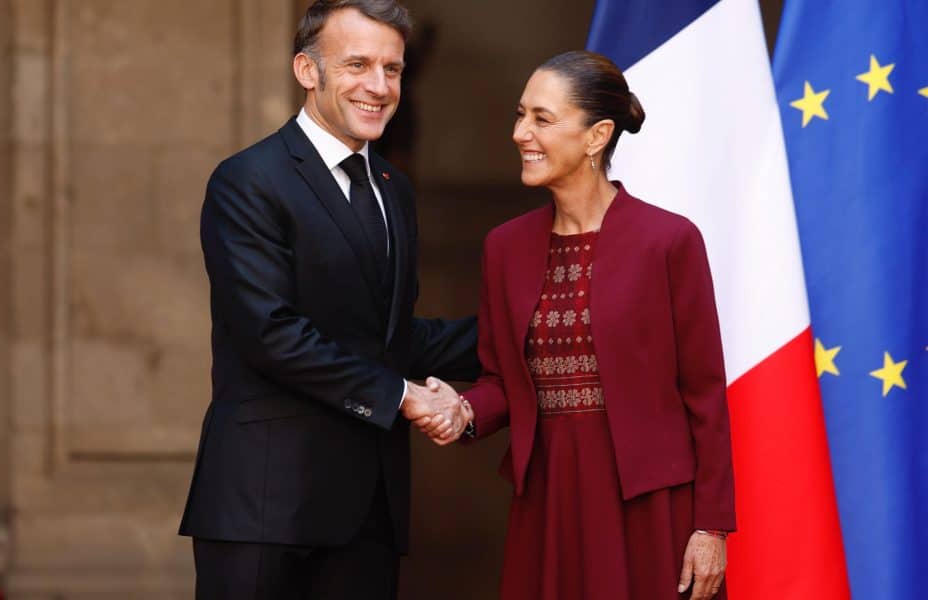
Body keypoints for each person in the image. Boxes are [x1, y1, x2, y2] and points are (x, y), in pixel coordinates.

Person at [178, 2, 478, 598]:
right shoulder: (248, 180)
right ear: (307, 71)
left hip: (369, 512)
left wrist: (532, 332)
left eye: (392, 69)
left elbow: (389, 336)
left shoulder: (394, 191)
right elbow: (272, 333)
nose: (378, 86)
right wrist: (404, 397)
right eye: (358, 64)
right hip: (263, 508)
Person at [426, 51, 736, 600]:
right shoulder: (504, 247)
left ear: (597, 137)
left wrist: (710, 528)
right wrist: (464, 409)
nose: (521, 133)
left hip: (649, 505)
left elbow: (705, 395)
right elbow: (503, 380)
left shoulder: (669, 241)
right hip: (547, 500)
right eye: (520, 115)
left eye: (542, 119)